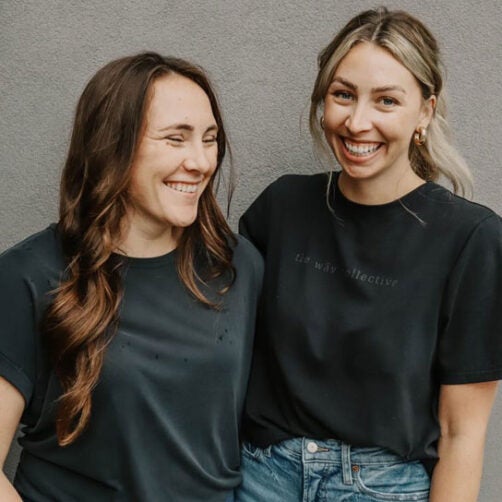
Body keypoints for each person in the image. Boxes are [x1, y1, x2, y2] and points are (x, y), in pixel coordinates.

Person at [235, 7, 502, 502]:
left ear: (425, 110)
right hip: (260, 477)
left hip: (379, 488)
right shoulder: (282, 208)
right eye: (343, 95)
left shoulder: (472, 239)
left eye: (386, 101)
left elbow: (462, 432)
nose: (358, 122)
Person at [0, 52, 263, 502]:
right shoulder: (28, 276)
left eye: (209, 138)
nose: (201, 162)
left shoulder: (235, 265)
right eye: (175, 139)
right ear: (112, 146)